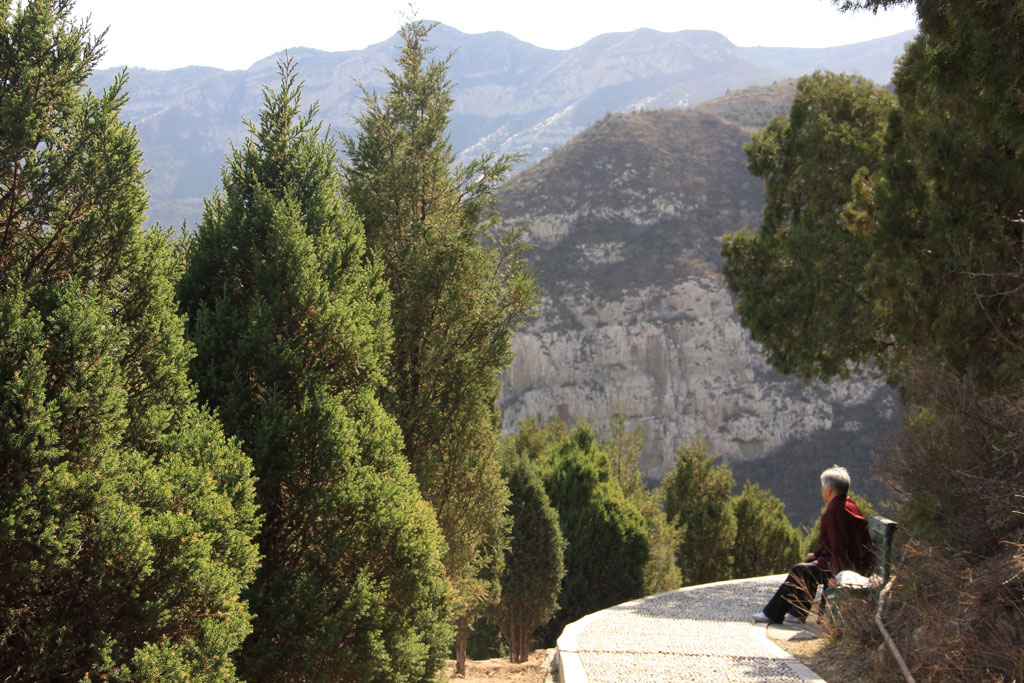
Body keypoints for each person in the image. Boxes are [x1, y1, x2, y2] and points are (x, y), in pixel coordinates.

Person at [753, 465, 873, 624]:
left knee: (800, 570)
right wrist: (816, 555)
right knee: (809, 565)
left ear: (829, 490)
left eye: (823, 488)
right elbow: (835, 542)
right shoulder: (847, 504)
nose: (822, 491)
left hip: (851, 567)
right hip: (858, 562)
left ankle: (773, 614)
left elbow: (838, 545)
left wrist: (835, 575)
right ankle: (797, 613)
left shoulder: (835, 511)